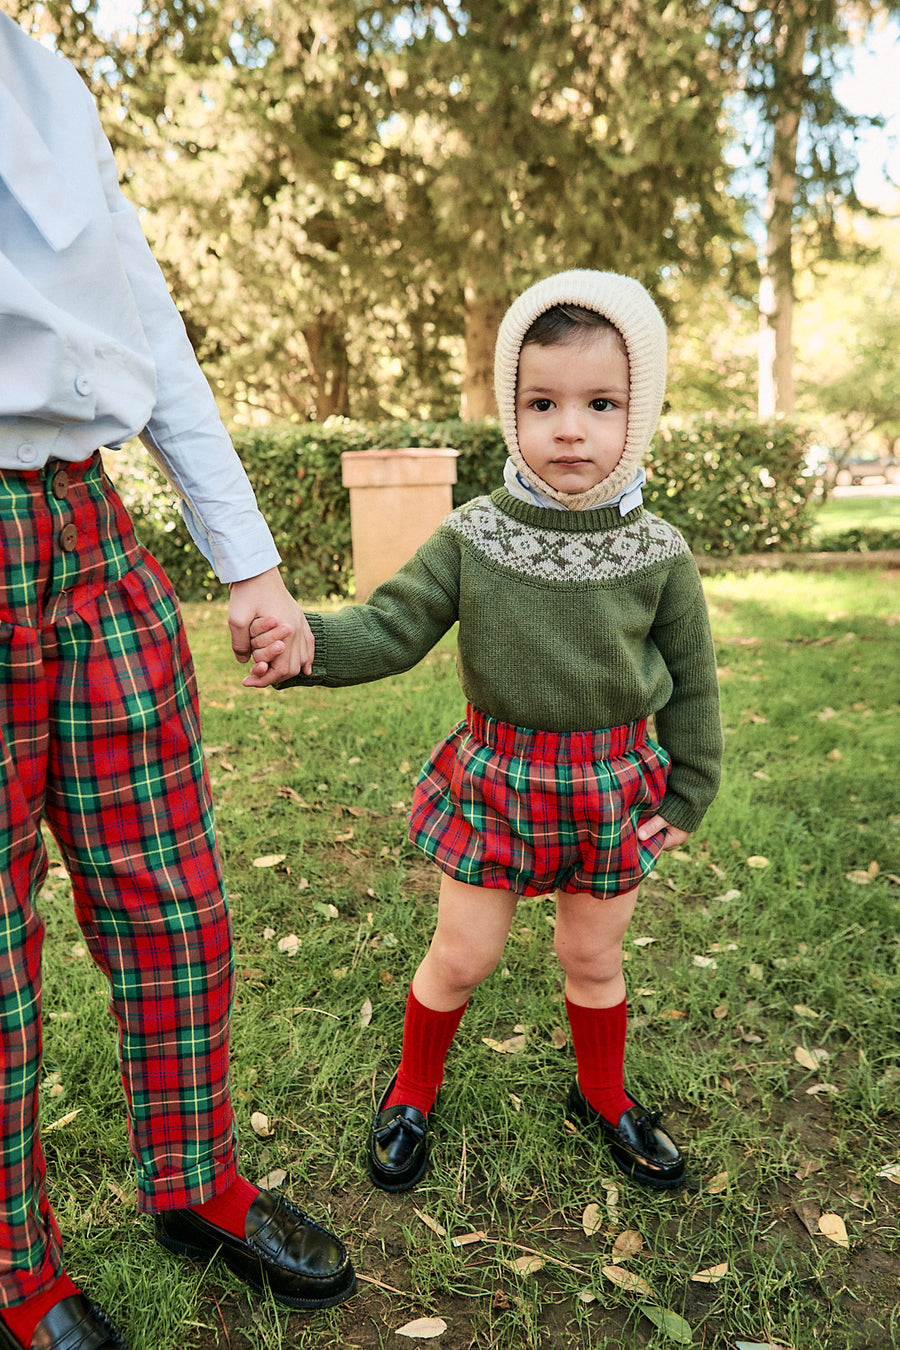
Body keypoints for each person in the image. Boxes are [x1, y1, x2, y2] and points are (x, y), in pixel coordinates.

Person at [0, 15, 353, 1350]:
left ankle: (193, 1179)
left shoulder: (45, 75)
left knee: (173, 891)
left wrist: (248, 559)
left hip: (91, 529)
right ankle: (18, 1265)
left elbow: (142, 312)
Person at [252, 269, 724, 1195]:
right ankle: (413, 1088)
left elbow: (695, 685)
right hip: (500, 778)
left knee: (594, 955)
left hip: (610, 785)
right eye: (543, 402)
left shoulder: (659, 553)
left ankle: (603, 1093)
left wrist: (690, 789)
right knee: (462, 954)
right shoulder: (475, 534)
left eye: (601, 403)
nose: (571, 428)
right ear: (513, 411)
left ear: (642, 412)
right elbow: (393, 624)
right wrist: (308, 643)